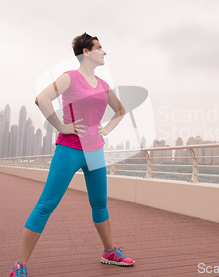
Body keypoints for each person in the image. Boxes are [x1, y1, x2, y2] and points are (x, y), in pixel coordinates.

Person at [10, 33, 134, 277]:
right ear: (86, 52)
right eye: (99, 48)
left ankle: (109, 252)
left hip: (95, 152)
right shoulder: (70, 78)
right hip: (69, 149)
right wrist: (61, 126)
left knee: (99, 204)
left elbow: (120, 110)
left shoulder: (103, 85)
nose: (104, 52)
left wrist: (107, 129)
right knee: (46, 204)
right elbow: (41, 98)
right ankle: (20, 265)